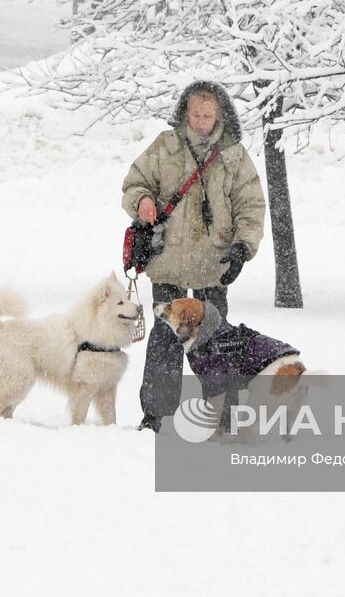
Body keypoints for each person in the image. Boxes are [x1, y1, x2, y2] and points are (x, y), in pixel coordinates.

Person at [122, 81, 266, 432]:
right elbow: (134, 183)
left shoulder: (234, 155)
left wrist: (243, 247)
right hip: (168, 261)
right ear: (185, 112)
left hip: (214, 263)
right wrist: (141, 200)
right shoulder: (165, 146)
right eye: (196, 114)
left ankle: (225, 415)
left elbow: (251, 206)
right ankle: (156, 414)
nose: (201, 122)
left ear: (221, 115)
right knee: (165, 338)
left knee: (215, 342)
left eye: (208, 115)